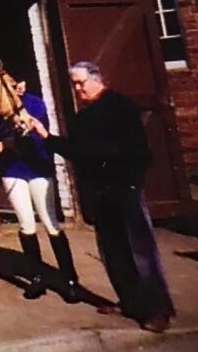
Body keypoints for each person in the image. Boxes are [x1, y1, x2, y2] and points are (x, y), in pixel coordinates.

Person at [29, 61, 175, 332]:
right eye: (73, 83)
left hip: (124, 190)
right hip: (100, 193)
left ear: (98, 79)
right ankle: (130, 303)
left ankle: (158, 310)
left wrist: (132, 183)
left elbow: (140, 152)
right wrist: (47, 137)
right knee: (113, 252)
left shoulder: (120, 107)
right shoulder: (82, 117)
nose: (76, 88)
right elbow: (77, 150)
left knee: (140, 252)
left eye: (80, 82)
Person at [0, 79, 80, 302]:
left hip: (37, 166)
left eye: (21, 82)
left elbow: (34, 136)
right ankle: (37, 277)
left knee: (50, 222)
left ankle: (70, 279)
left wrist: (6, 144)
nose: (19, 87)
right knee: (26, 224)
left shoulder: (35, 104)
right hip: (12, 170)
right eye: (13, 84)